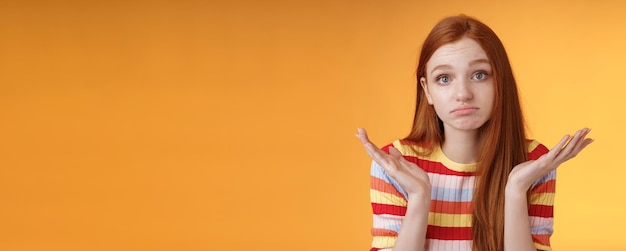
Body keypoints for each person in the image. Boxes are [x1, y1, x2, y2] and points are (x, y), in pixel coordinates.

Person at [355, 15, 593, 251]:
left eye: (479, 75)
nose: (463, 93)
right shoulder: (396, 163)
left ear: (500, 81)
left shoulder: (533, 162)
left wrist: (516, 190)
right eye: (444, 78)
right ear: (427, 90)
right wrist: (419, 197)